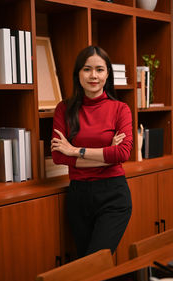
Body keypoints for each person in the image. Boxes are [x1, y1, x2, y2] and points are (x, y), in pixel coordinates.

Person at [51, 45, 133, 258]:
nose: (93, 75)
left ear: (107, 74)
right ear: (78, 74)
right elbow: (59, 156)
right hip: (78, 196)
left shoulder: (120, 109)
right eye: (87, 69)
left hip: (113, 195)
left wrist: (75, 150)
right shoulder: (64, 109)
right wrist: (107, 153)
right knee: (85, 264)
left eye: (100, 69)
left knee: (96, 261)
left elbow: (123, 153)